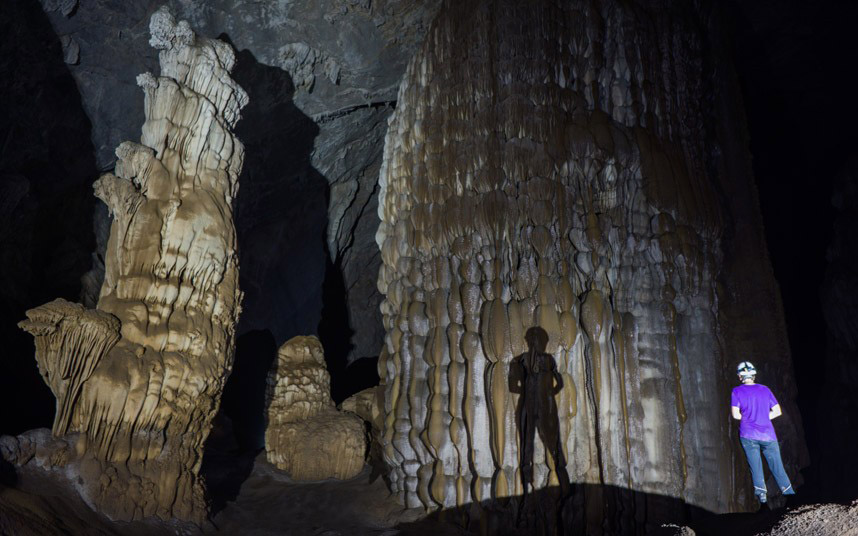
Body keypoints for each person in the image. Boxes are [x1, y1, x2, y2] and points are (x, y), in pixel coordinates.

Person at [731, 361, 795, 505]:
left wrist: (748, 418)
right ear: (754, 375)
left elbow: (735, 415)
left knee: (755, 466)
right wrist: (763, 418)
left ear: (740, 376)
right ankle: (789, 494)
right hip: (767, 434)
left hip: (747, 434)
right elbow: (777, 411)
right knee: (777, 465)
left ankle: (762, 497)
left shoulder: (736, 391)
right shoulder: (765, 390)